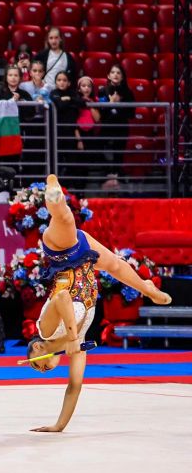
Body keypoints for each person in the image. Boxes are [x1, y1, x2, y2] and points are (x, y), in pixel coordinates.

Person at [25, 174, 171, 432]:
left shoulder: (45, 331)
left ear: (37, 348)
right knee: (114, 264)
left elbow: (61, 297)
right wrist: (58, 425)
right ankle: (146, 287)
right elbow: (74, 387)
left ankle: (53, 192)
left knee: (65, 219)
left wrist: (70, 336)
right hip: (86, 261)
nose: (42, 369)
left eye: (36, 363)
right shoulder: (78, 347)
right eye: (41, 370)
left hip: (62, 254)